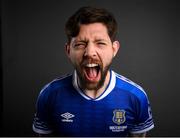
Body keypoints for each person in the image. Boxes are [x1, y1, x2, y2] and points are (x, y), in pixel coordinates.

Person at [32, 6, 154, 137]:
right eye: (80, 44)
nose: (89, 52)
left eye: (100, 43)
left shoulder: (135, 97)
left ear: (114, 49)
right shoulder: (49, 95)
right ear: (68, 51)